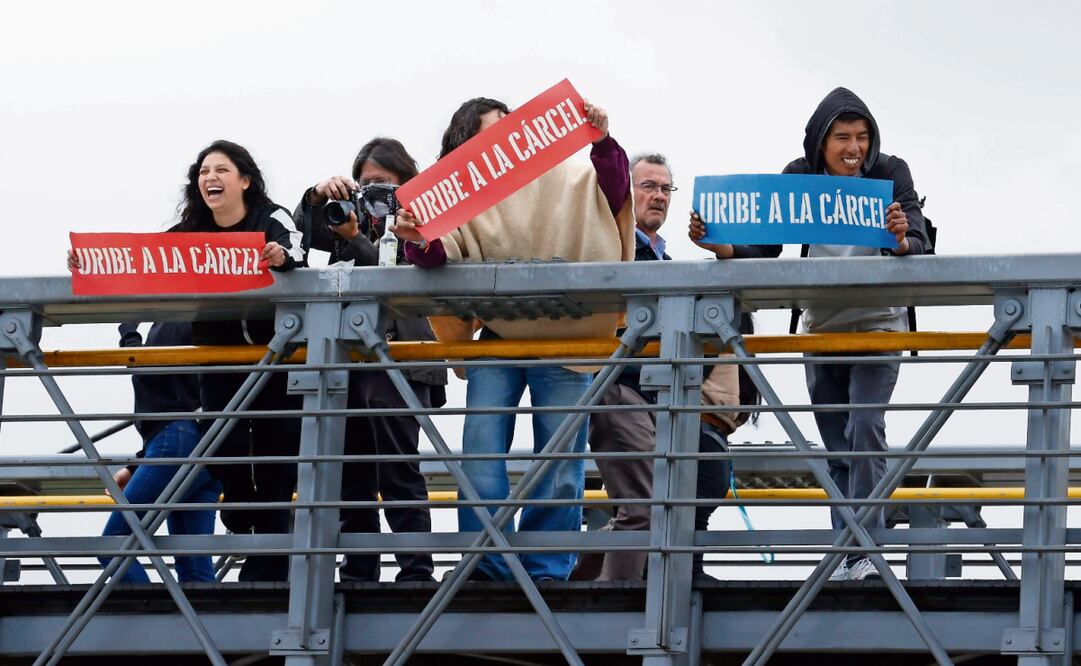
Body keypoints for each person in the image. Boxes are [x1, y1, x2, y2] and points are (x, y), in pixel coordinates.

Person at [690, 87, 928, 581]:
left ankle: (867, 549)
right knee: (837, 446)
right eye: (842, 137)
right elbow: (765, 246)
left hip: (879, 325)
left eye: (862, 137)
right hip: (820, 329)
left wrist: (903, 237)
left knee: (865, 429)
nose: (853, 148)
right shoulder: (798, 178)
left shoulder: (890, 172)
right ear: (820, 141)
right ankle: (849, 551)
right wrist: (722, 247)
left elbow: (920, 242)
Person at [393, 97, 635, 582]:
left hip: (571, 337)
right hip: (501, 335)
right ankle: (487, 565)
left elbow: (609, 193)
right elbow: (439, 252)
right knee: (480, 458)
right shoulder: (461, 196)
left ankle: (546, 568)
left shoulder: (562, 177)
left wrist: (602, 141)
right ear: (466, 148)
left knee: (561, 466)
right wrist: (416, 236)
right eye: (490, 135)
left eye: (510, 130)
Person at [571, 154, 754, 582]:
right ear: (626, 193)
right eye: (647, 186)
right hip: (620, 391)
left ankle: (584, 589)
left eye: (665, 188)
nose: (658, 196)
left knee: (644, 505)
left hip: (654, 398)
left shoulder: (669, 267)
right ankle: (611, 611)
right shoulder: (612, 252)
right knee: (646, 504)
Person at [292, 137, 447, 582]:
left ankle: (415, 571)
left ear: (406, 182)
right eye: (364, 183)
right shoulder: (347, 217)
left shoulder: (422, 218)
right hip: (350, 363)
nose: (373, 192)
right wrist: (319, 195)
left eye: (383, 183)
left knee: (399, 470)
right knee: (351, 477)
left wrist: (357, 238)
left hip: (400, 359)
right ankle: (359, 571)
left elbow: (398, 277)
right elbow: (299, 233)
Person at [180, 139, 305, 582]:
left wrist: (281, 257)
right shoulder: (191, 229)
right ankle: (237, 505)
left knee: (275, 457)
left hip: (274, 358)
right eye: (203, 172)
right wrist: (89, 262)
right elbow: (143, 260)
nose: (210, 178)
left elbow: (298, 249)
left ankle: (267, 568)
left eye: (221, 170)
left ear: (245, 180)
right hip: (218, 357)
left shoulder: (271, 217)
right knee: (221, 444)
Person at [97, 321, 222, 583]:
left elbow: (148, 371)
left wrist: (129, 331)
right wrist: (135, 466)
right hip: (203, 445)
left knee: (114, 543)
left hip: (175, 441)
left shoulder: (172, 320)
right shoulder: (198, 324)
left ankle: (154, 619)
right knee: (194, 564)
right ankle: (200, 623)